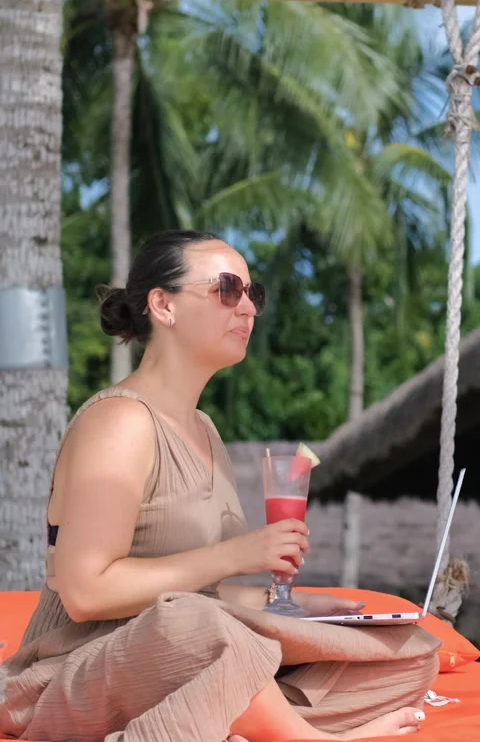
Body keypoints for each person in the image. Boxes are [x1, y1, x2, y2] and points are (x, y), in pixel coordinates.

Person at [0, 231, 439, 742]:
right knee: (205, 628)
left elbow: (197, 586)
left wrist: (288, 607)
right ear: (163, 305)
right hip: (71, 673)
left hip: (189, 652)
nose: (248, 307)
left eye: (255, 293)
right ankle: (309, 737)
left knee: (406, 651)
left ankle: (225, 720)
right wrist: (239, 554)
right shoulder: (119, 422)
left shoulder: (205, 429)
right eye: (228, 289)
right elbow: (86, 591)